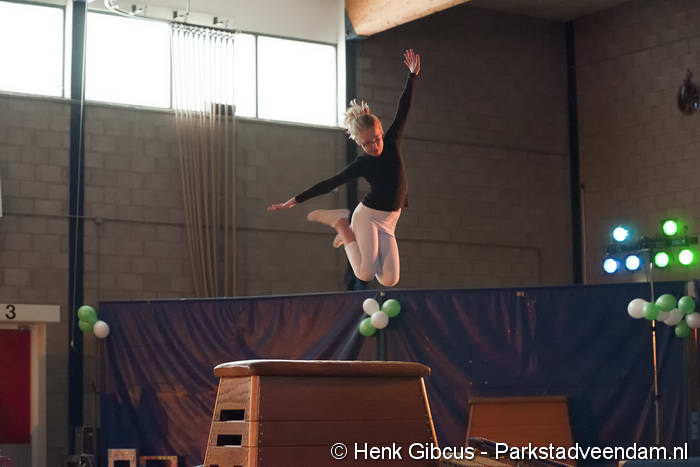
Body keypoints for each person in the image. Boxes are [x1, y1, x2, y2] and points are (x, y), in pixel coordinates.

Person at [267, 49, 421, 287]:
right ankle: (342, 224)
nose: (374, 146)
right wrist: (294, 200)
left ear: (381, 132)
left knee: (390, 279)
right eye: (367, 143)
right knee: (365, 274)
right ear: (359, 143)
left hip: (390, 220)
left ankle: (350, 235)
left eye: (377, 139)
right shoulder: (363, 164)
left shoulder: (391, 141)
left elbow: (403, 109)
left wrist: (412, 76)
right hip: (368, 217)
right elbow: (330, 183)